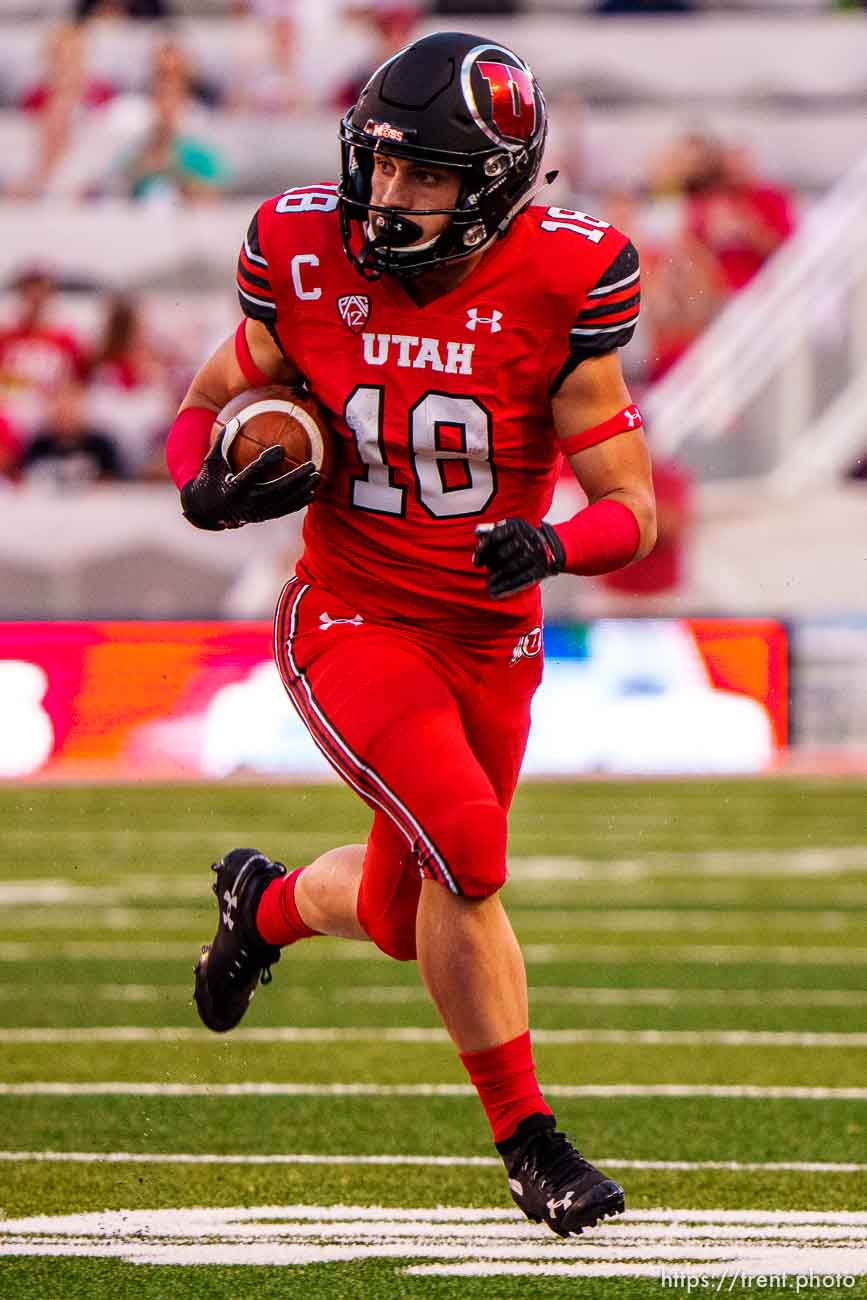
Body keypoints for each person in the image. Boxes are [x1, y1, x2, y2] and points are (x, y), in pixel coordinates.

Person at [166, 31, 655, 1238]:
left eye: (424, 174)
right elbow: (207, 401)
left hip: (490, 635)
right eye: (380, 166)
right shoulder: (303, 251)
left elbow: (630, 510)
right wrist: (200, 483)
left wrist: (553, 545)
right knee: (471, 854)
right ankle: (531, 1140)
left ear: (490, 183)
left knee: (401, 913)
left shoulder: (566, 278)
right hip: (353, 612)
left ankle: (264, 905)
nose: (388, 194)